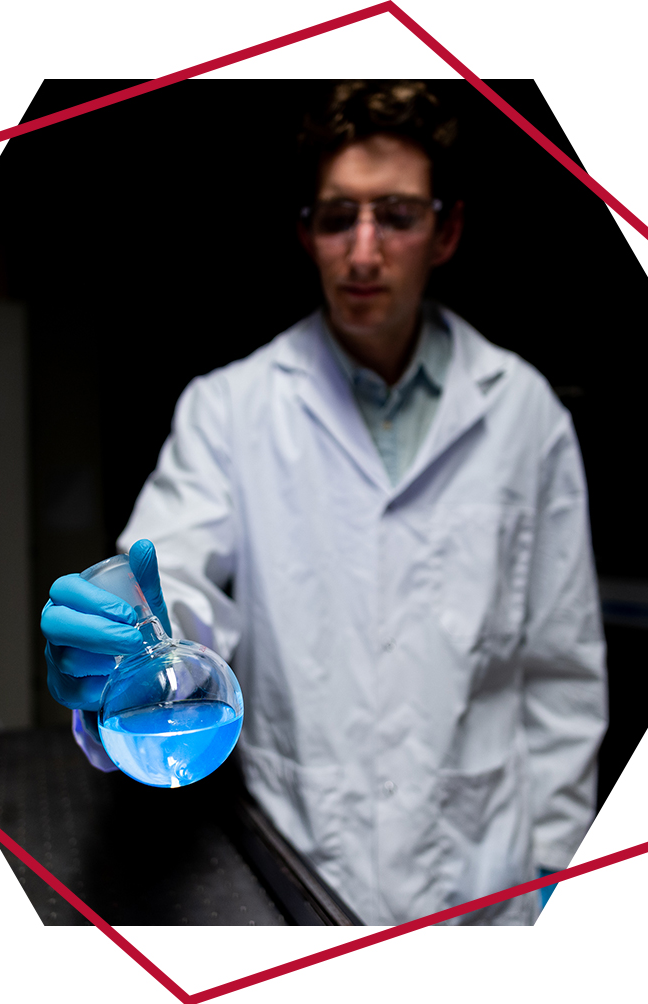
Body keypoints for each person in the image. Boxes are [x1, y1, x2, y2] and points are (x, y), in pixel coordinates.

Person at [41, 81, 607, 926]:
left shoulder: (525, 414)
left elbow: (562, 675)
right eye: (339, 216)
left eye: (398, 215)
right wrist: (137, 633)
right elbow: (178, 572)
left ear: (446, 230)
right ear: (306, 232)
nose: (365, 251)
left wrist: (564, 878)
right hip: (299, 868)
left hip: (488, 882)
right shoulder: (229, 408)